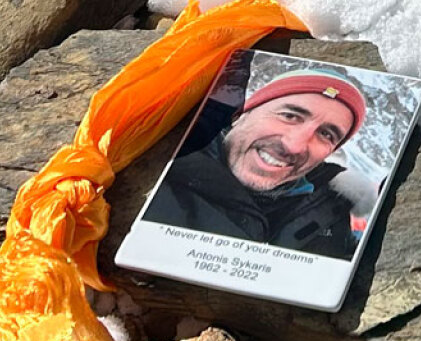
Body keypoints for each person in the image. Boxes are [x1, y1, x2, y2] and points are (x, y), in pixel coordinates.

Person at [145, 70, 368, 259]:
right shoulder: (164, 175)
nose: (294, 146)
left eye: (326, 135)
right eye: (289, 116)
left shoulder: (333, 208)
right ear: (241, 115)